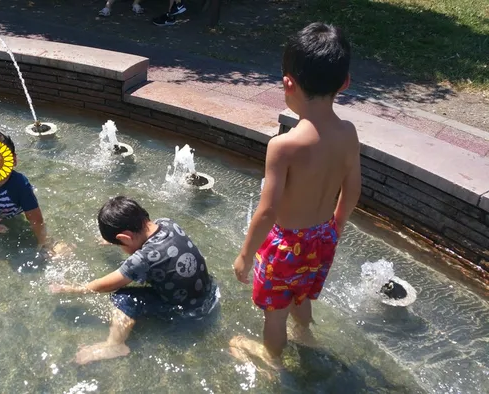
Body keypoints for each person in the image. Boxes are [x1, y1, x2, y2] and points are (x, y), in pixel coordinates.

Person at [230, 22, 361, 370]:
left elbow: (268, 211)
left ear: (288, 83)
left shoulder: (283, 146)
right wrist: (337, 225)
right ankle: (307, 336)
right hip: (323, 238)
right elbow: (353, 189)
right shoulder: (348, 133)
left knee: (275, 315)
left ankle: (271, 360)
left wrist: (245, 255)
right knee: (302, 296)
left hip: (286, 246)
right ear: (344, 83)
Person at [50, 196, 219, 365]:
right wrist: (116, 240)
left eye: (119, 244)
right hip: (209, 292)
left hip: (188, 311)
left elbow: (106, 284)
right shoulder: (167, 223)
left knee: (123, 297)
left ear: (125, 237)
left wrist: (74, 289)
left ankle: (114, 345)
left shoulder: (143, 259)